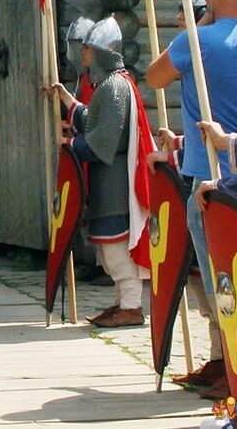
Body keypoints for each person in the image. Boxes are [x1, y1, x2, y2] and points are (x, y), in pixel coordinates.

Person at [147, 0, 237, 400]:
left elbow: (153, 76)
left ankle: (236, 375)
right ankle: (221, 362)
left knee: (222, 283)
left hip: (212, 183)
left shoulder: (196, 40)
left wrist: (199, 24)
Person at [47, 17, 153, 328]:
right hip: (108, 179)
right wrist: (66, 100)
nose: (83, 55)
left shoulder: (115, 86)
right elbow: (92, 121)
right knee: (108, 250)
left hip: (115, 182)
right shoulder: (109, 86)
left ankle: (132, 306)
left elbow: (103, 140)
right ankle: (121, 303)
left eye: (89, 50)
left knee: (116, 248)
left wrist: (70, 146)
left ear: (102, 51)